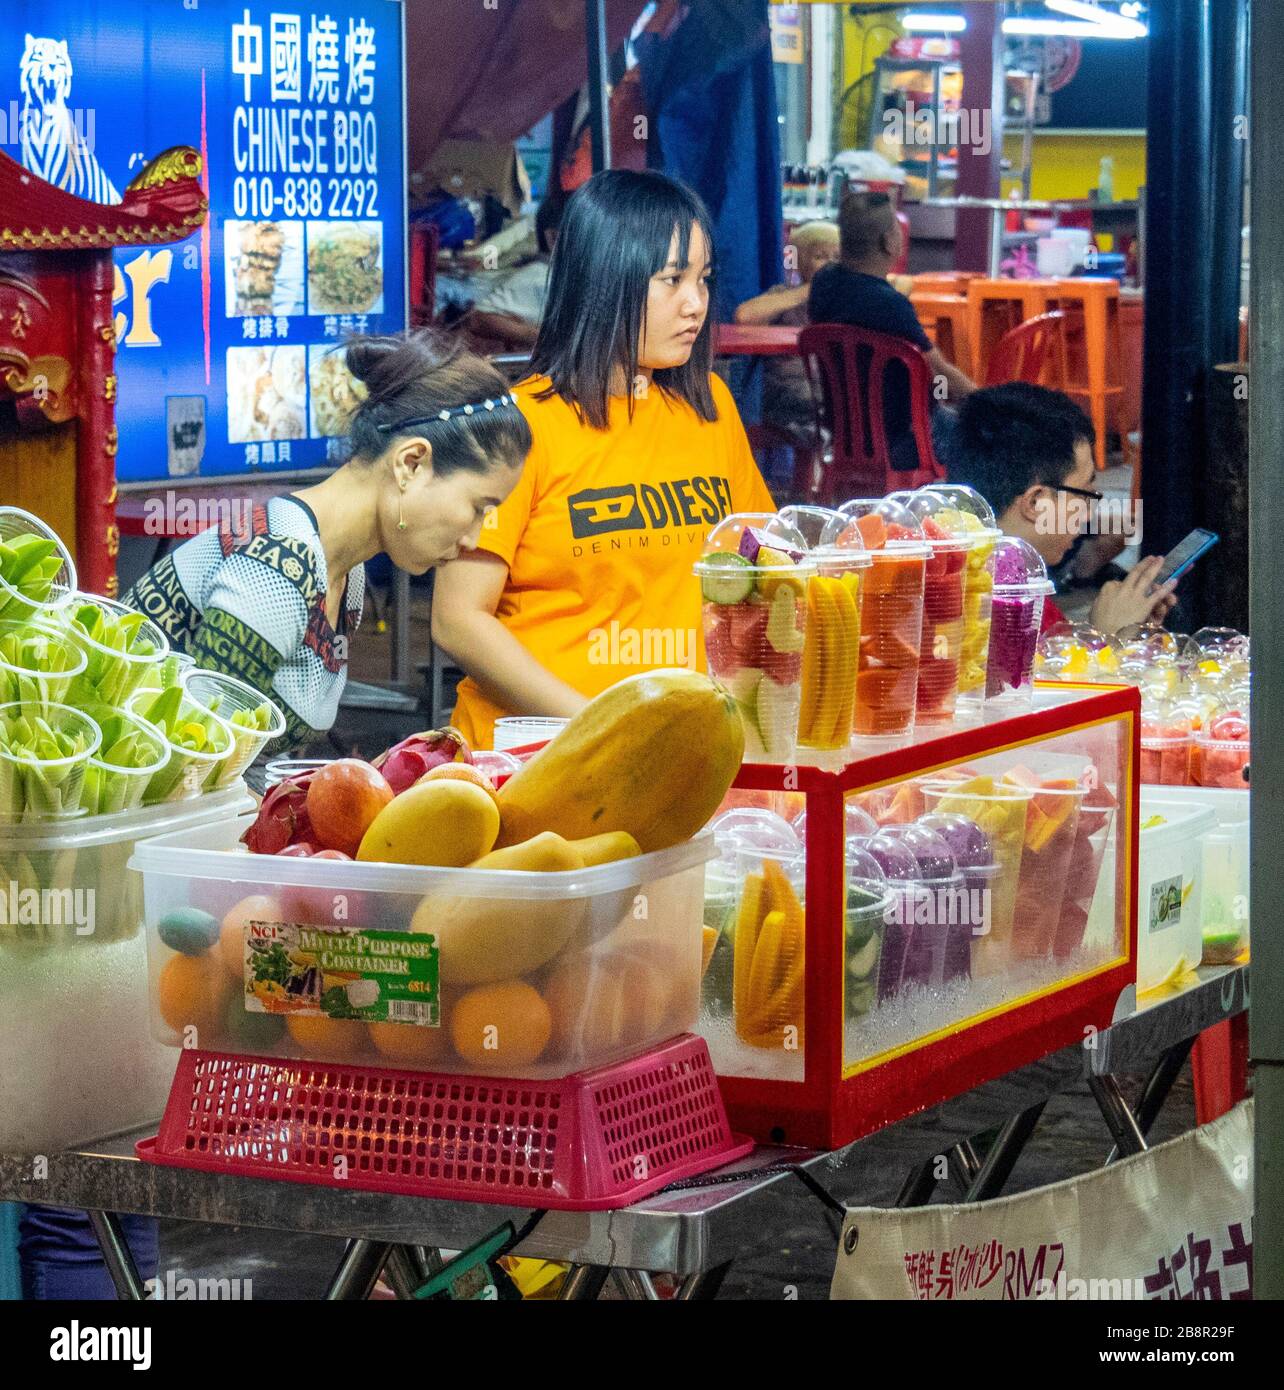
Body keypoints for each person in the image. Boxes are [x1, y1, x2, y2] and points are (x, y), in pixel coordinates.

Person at [432, 168, 776, 749]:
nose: (697, 304)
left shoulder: (711, 407)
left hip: (674, 750)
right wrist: (600, 724)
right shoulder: (521, 426)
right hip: (535, 758)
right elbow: (457, 620)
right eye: (672, 280)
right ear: (604, 280)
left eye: (704, 278)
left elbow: (762, 568)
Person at [123, 332, 530, 753]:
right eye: (479, 506)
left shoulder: (343, 573)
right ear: (412, 463)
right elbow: (204, 764)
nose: (473, 538)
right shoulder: (277, 568)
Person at [944, 382, 1177, 633]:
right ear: (1036, 503)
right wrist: (1108, 638)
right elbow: (1033, 672)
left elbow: (1050, 653)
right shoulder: (989, 604)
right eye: (1085, 494)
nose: (1089, 513)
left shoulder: (1005, 571)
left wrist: (1123, 626)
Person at [808, 189, 975, 469]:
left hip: (843, 439)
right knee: (987, 438)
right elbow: (942, 377)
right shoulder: (891, 305)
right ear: (889, 242)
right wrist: (990, 401)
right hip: (906, 441)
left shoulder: (824, 284)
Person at [733, 220, 839, 439]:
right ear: (800, 262)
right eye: (820, 256)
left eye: (837, 258)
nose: (830, 265)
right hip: (789, 393)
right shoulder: (784, 294)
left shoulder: (845, 298)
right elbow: (744, 316)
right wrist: (807, 292)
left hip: (831, 390)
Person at [468, 195, 564, 351]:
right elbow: (479, 319)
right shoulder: (540, 276)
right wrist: (543, 340)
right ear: (553, 237)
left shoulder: (557, 276)